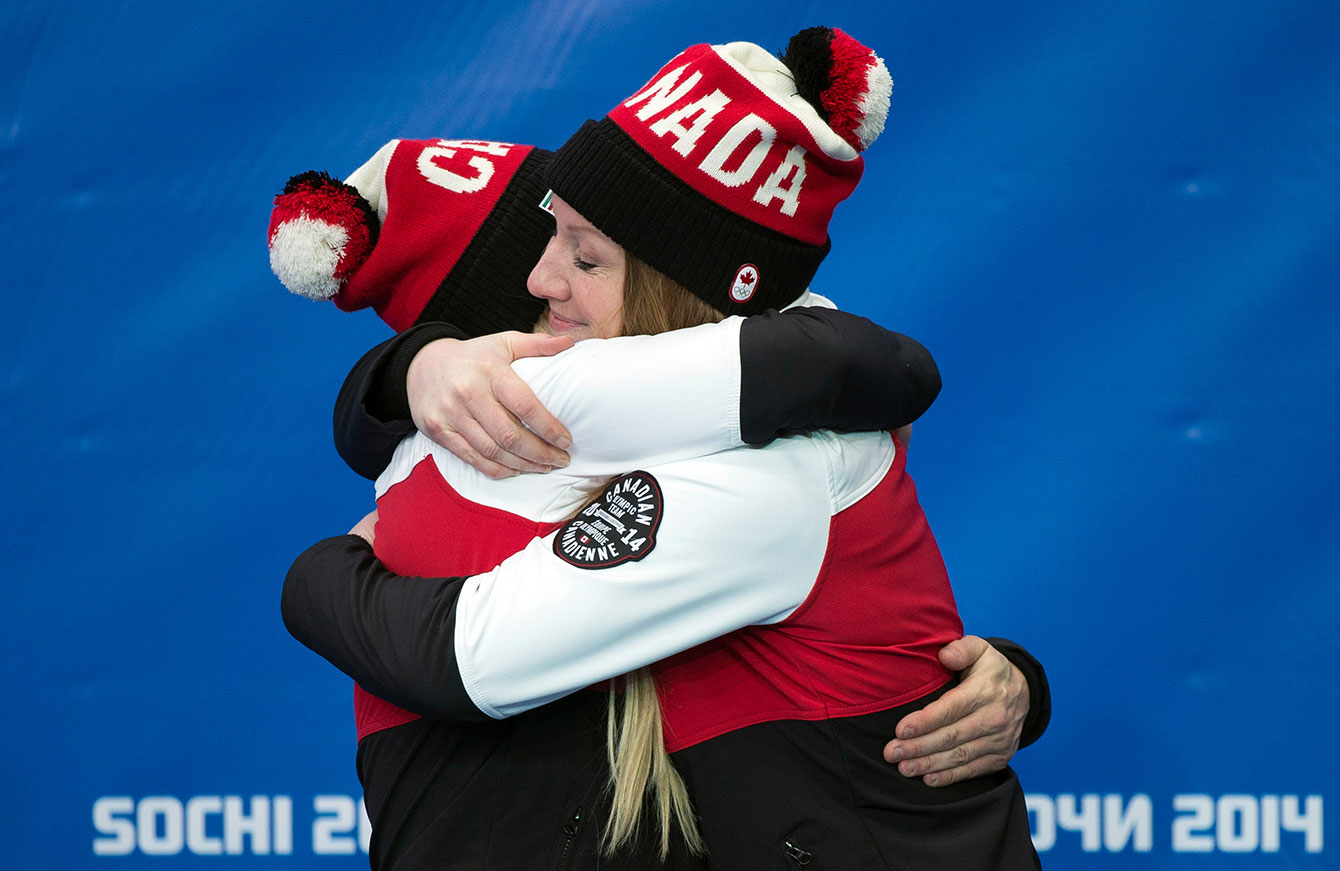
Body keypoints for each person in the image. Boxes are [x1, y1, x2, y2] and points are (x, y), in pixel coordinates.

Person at [282, 27, 1046, 869]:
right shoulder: (537, 425)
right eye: (545, 245)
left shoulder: (767, 459)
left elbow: (468, 661)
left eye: (585, 257)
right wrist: (411, 371)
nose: (542, 283)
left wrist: (321, 571)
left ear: (675, 291)